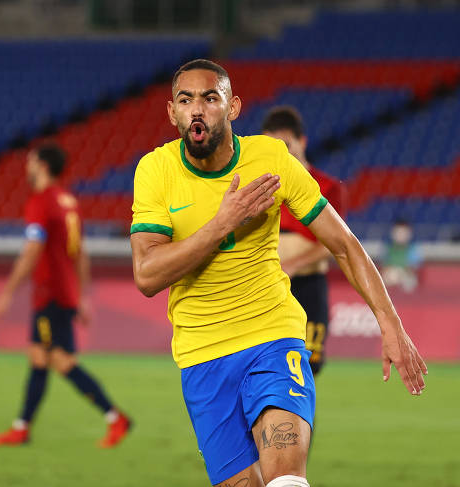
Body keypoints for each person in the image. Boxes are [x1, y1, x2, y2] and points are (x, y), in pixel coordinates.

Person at [130, 59, 426, 487]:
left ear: (233, 107)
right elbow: (147, 275)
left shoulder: (271, 159)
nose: (197, 109)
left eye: (211, 98)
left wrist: (390, 323)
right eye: (185, 99)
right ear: (172, 112)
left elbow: (343, 243)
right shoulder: (155, 171)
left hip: (272, 337)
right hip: (202, 357)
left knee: (285, 476)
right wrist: (222, 222)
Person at [0, 143, 131, 449]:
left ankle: (114, 416)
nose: (26, 165)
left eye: (29, 160)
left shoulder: (41, 202)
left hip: (49, 294)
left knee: (60, 360)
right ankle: (21, 427)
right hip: (62, 293)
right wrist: (82, 295)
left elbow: (31, 251)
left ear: (41, 165)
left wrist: (8, 292)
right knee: (39, 357)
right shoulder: (69, 203)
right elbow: (79, 253)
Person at [261, 106, 346, 375]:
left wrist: (293, 264)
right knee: (267, 367)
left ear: (302, 141)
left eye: (285, 144)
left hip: (307, 287)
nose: (280, 152)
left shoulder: (327, 186)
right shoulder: (264, 187)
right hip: (268, 288)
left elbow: (334, 244)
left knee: (307, 366)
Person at [382, 219, 421, 293]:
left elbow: (414, 269)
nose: (401, 235)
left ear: (409, 234)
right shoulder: (388, 249)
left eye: (403, 232)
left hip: (406, 277)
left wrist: (401, 272)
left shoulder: (412, 249)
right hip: (392, 277)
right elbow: (385, 267)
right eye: (398, 232)